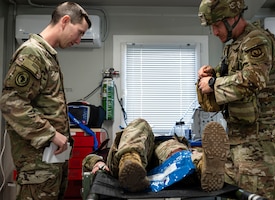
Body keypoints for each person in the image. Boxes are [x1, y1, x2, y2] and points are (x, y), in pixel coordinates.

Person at [197, 0, 275, 199]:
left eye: (217, 25)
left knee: (254, 195)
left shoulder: (256, 41)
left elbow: (253, 80)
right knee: (232, 194)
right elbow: (237, 76)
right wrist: (214, 72)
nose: (214, 32)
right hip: (238, 139)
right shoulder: (236, 45)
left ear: (232, 18)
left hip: (259, 143)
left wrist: (213, 83)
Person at [0, 2, 91, 199]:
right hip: (37, 167)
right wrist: (51, 134)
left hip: (49, 165)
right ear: (65, 21)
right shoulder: (32, 53)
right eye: (79, 32)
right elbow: (11, 103)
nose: (79, 40)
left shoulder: (47, 55)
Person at [83, 118, 229, 193]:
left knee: (175, 150)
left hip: (163, 164)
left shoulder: (162, 140)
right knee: (140, 124)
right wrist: (97, 163)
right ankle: (130, 166)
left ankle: (204, 168)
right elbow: (88, 158)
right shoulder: (126, 139)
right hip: (126, 162)